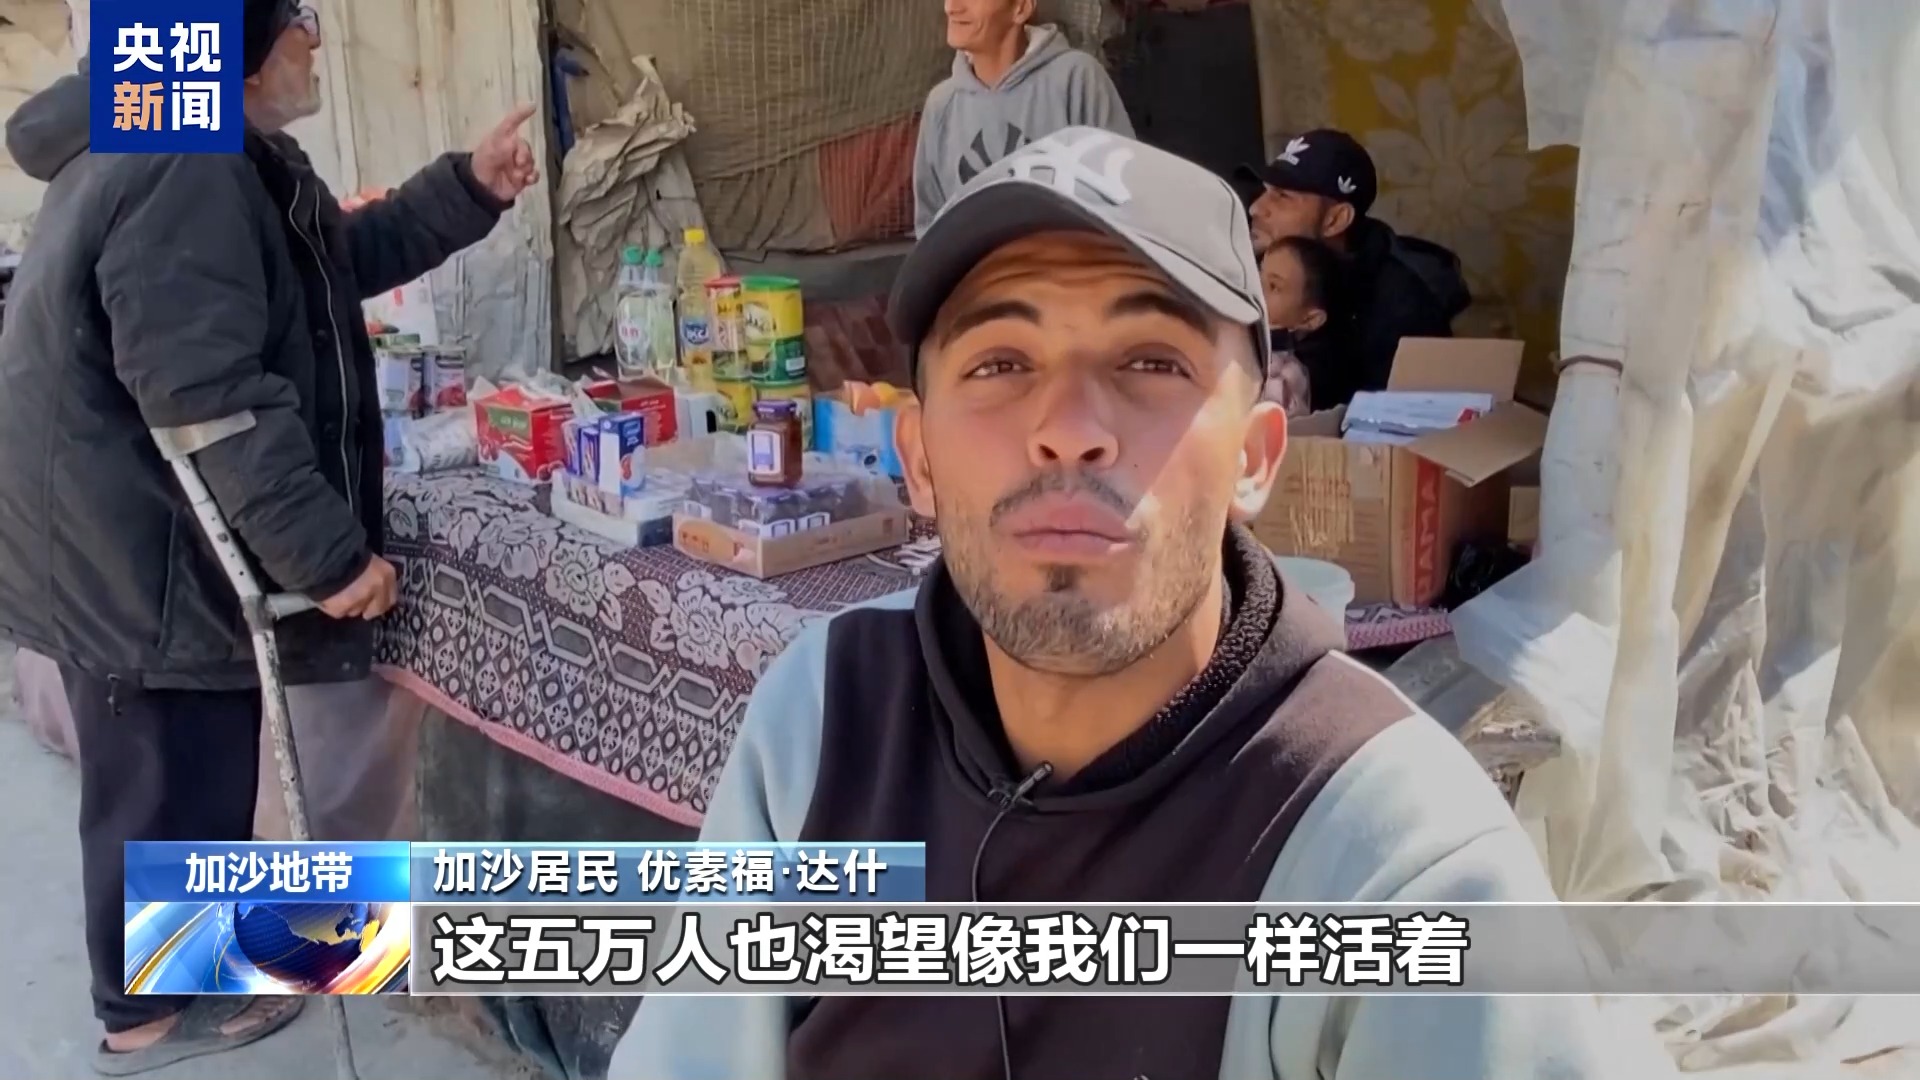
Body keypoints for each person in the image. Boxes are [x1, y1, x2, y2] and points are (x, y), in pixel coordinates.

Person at [610, 127, 1606, 1080]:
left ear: (1257, 456)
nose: (1070, 428)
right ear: (918, 460)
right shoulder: (826, 716)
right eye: (1001, 363)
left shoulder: (1396, 854)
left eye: (1150, 363)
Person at [0, 2, 538, 1072]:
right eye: (295, 15)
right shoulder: (183, 165)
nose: (316, 35)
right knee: (163, 778)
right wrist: (325, 557)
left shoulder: (203, 146)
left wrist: (467, 188)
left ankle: (175, 982)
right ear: (236, 52)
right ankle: (146, 1015)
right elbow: (211, 399)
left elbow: (324, 265)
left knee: (171, 769)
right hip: (130, 542)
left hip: (122, 529)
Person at [1241, 128, 1470, 400]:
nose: (1256, 208)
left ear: (1335, 220)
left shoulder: (1403, 304)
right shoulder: (1259, 260)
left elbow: (1407, 416)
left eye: (1282, 197)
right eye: (1265, 191)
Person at [913, 0, 1132, 235]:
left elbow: (1126, 198)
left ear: (1021, 8)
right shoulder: (941, 105)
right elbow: (931, 228)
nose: (951, 7)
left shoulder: (1077, 79)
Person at [1260, 234, 1346, 412]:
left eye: (1273, 286)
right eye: (1257, 273)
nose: (1254, 287)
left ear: (1310, 319)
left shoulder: (1290, 377)